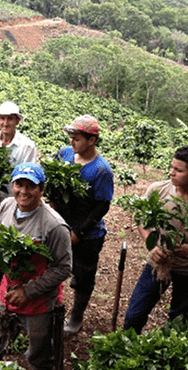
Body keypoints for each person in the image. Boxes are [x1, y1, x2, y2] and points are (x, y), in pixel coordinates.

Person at [123, 146, 188, 334]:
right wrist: (152, 246)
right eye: (172, 167)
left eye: (178, 170)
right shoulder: (158, 190)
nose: (171, 173)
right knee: (134, 316)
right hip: (157, 263)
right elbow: (142, 219)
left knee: (178, 321)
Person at [0, 163, 72, 368]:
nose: (23, 191)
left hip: (38, 301)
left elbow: (63, 268)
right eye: (18, 184)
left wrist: (28, 291)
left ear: (42, 190)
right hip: (6, 290)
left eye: (31, 186)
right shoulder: (6, 206)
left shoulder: (54, 225)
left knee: (39, 354)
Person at [55, 114, 113, 335]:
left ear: (92, 140)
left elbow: (102, 206)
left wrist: (79, 232)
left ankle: (76, 317)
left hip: (87, 234)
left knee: (83, 276)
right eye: (71, 137)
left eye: (77, 138)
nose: (72, 142)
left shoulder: (101, 170)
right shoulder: (65, 154)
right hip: (61, 225)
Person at [0, 101, 39, 217]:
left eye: (10, 119)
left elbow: (28, 178)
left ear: (17, 121)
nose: (5, 123)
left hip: (14, 204)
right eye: (2, 118)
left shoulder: (27, 146)